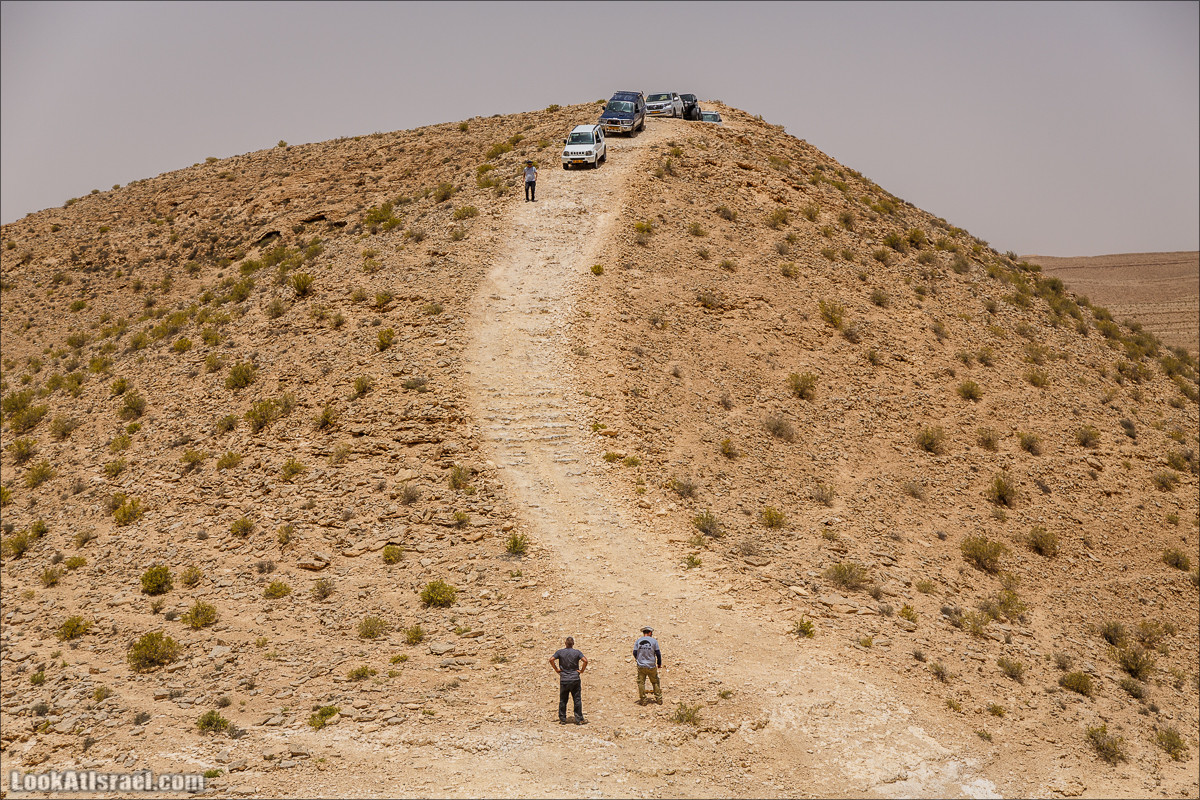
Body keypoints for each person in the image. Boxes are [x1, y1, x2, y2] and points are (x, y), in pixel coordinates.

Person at [549, 636, 588, 725]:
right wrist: (581, 671)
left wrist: (556, 669)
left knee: (563, 699)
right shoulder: (577, 652)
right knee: (577, 699)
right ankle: (579, 719)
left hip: (564, 679)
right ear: (573, 643)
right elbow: (585, 661)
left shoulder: (560, 652)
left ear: (565, 643)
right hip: (575, 678)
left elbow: (551, 659)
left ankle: (562, 719)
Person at [633, 626, 662, 705]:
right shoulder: (654, 641)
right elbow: (658, 653)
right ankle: (659, 699)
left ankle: (643, 700)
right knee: (655, 681)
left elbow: (634, 653)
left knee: (641, 683)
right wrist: (659, 663)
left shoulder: (638, 641)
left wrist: (638, 659)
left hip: (641, 665)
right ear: (649, 633)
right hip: (651, 665)